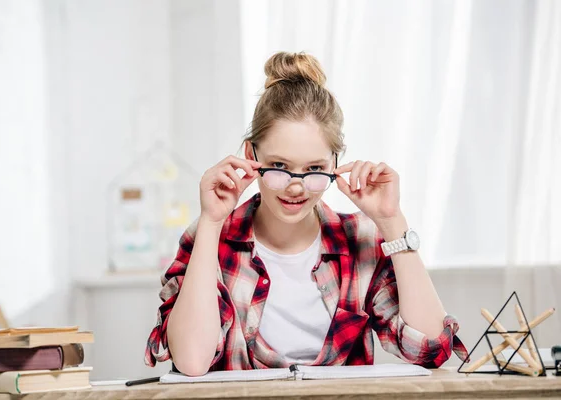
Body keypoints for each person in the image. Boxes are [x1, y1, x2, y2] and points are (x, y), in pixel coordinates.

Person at [145, 51, 467, 376]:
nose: (296, 187)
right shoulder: (212, 237)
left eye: (314, 168)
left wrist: (392, 221)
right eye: (280, 166)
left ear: (335, 164)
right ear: (250, 155)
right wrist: (212, 222)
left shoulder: (360, 240)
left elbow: (431, 349)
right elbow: (191, 361)